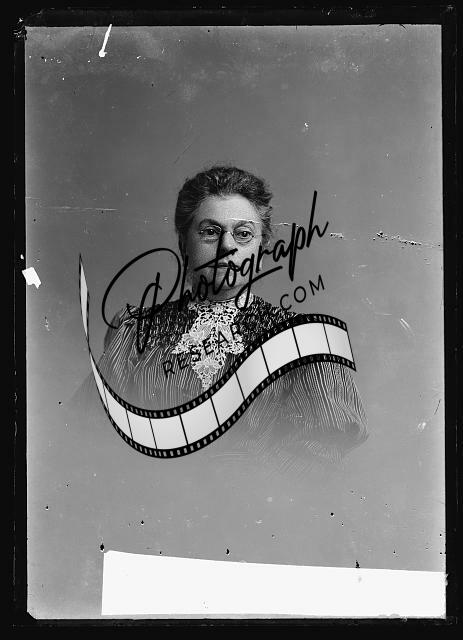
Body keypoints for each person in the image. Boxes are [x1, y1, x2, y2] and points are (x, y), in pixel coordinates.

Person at [92, 165, 368, 475]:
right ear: (183, 244)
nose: (226, 247)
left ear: (261, 249)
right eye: (210, 231)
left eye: (243, 234)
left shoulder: (303, 340)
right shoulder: (135, 331)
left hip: (256, 503)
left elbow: (320, 452)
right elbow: (90, 438)